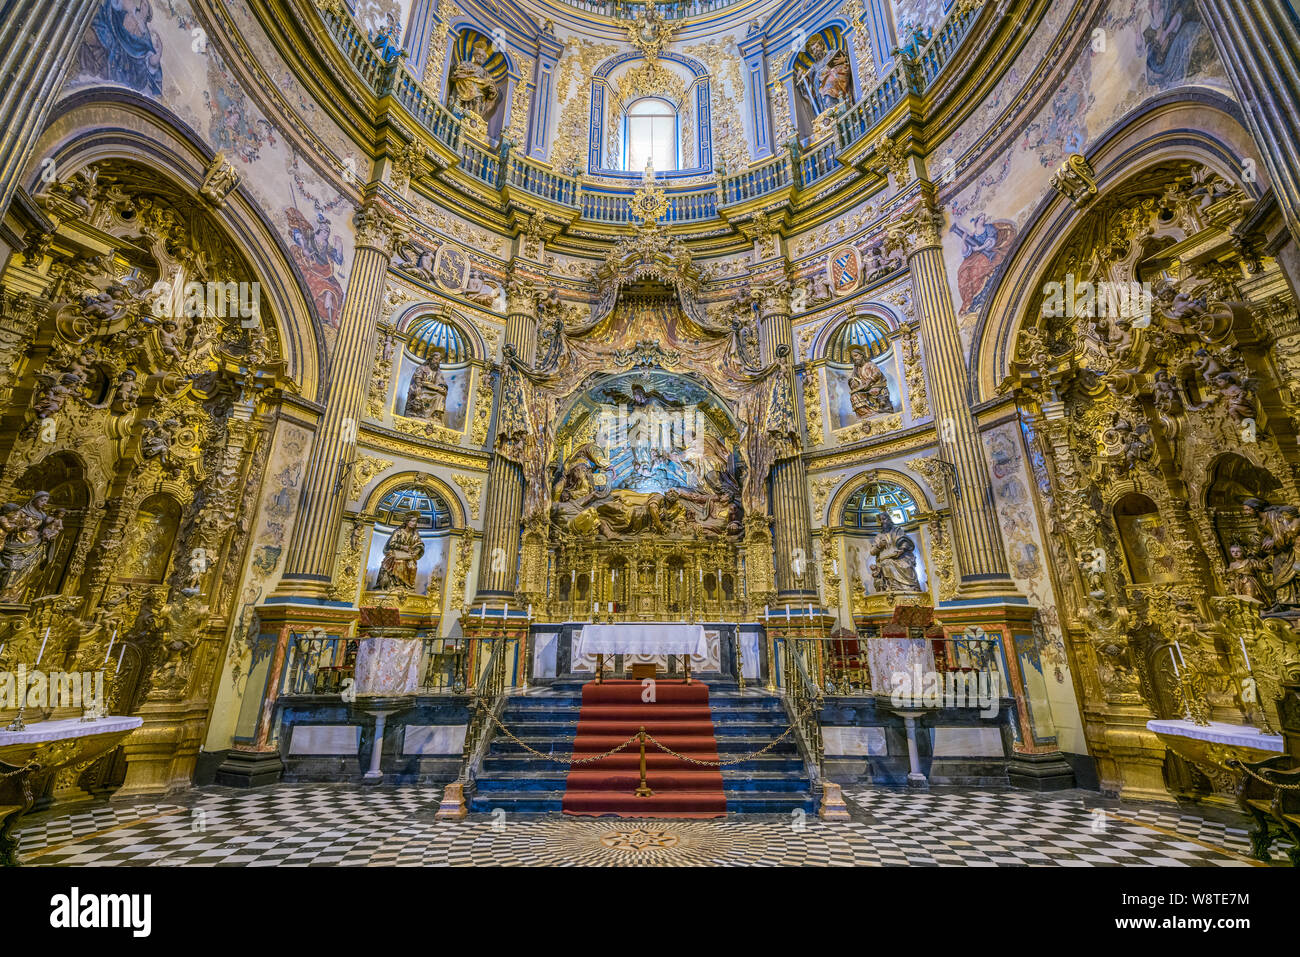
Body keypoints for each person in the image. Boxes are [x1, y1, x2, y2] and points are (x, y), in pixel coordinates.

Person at [868, 513, 922, 593]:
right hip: (887, 558)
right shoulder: (879, 536)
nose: (883, 522)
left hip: (901, 556)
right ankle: (894, 587)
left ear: (889, 520)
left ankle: (910, 587)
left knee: (907, 565)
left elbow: (906, 541)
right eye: (881, 520)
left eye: (884, 519)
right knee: (887, 563)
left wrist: (902, 550)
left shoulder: (898, 531)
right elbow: (872, 552)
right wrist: (879, 546)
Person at [375, 513, 424, 591]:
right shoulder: (398, 532)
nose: (415, 523)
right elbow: (391, 543)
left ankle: (407, 587)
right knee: (398, 563)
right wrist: (403, 547)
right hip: (396, 553)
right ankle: (395, 585)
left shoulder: (415, 534)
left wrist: (415, 553)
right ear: (407, 522)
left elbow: (419, 545)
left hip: (408, 556)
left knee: (412, 567)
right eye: (413, 521)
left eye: (415, 522)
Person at [405, 351, 448, 422]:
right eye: (436, 359)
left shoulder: (438, 372)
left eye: (439, 360)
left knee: (440, 396)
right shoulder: (422, 368)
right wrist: (419, 385)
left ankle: (435, 416)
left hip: (433, 391)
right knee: (420, 393)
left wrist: (442, 388)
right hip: (422, 388)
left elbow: (442, 383)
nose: (437, 362)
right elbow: (417, 379)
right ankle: (418, 413)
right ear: (431, 359)